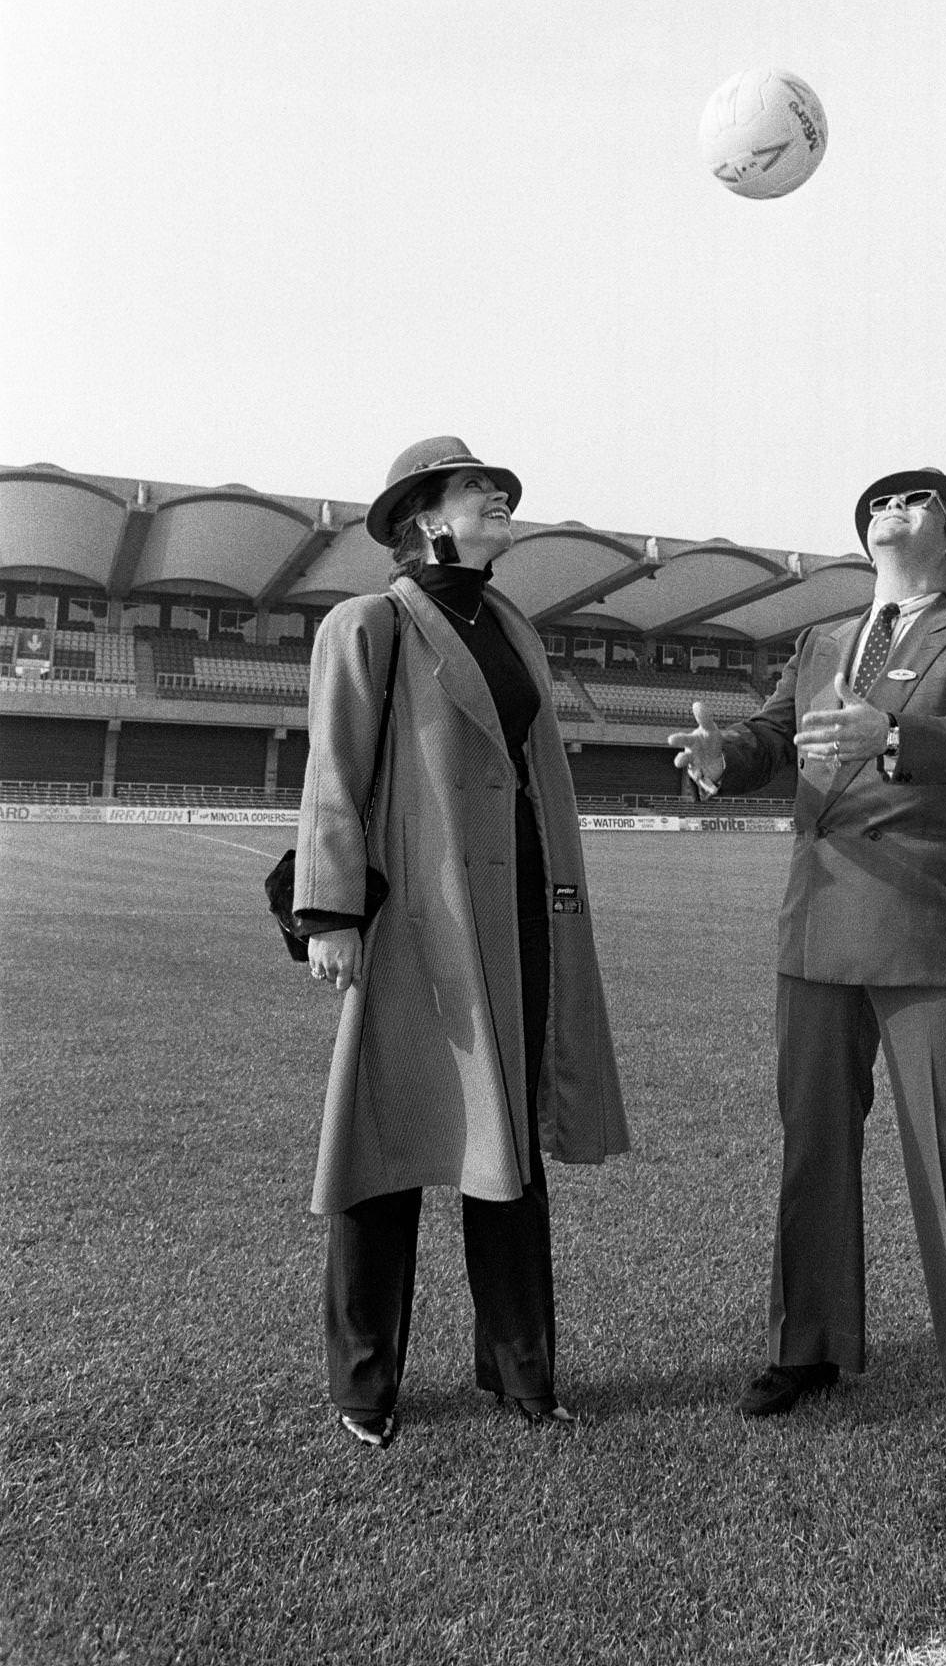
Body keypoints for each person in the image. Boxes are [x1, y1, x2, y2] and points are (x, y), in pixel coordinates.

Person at [668, 468, 946, 1483]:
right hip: (818, 913)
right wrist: (717, 757)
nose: (887, 507)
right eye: (877, 499)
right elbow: (772, 734)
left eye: (913, 500)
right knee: (811, 1140)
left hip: (920, 922)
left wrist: (899, 735)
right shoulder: (824, 640)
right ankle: (809, 1346)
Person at [295, 435, 630, 1448]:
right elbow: (332, 770)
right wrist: (330, 911)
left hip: (520, 916)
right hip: (413, 922)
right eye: (478, 487)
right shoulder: (369, 624)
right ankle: (364, 1385)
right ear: (424, 516)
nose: (499, 497)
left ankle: (521, 1373)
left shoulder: (514, 625)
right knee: (385, 1146)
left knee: (510, 1147)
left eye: (499, 488)